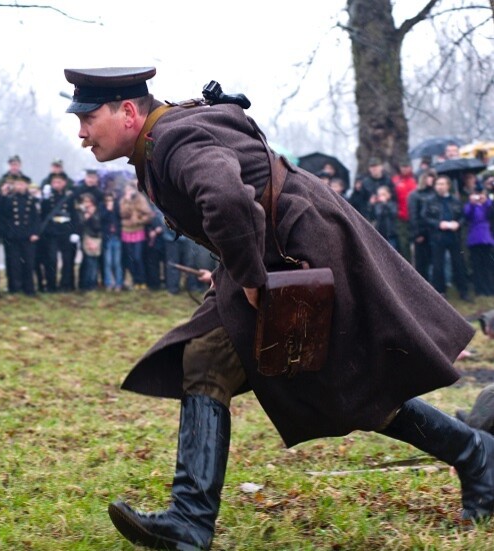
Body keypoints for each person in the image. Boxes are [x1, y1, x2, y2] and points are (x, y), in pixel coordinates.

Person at [64, 66, 489, 550]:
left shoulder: (174, 138)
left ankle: (476, 453)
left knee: (355, 385)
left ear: (126, 112)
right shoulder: (163, 138)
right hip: (277, 252)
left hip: (300, 252)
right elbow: (230, 202)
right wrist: (235, 267)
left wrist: (248, 277)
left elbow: (225, 199)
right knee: (208, 359)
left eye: (87, 117)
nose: (80, 133)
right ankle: (189, 519)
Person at [423, 175, 471, 302]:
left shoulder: (455, 200)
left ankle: (463, 291)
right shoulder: (430, 201)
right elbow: (425, 217)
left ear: (448, 186)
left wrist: (458, 224)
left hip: (454, 236)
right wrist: (438, 223)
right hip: (438, 236)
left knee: (459, 265)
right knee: (438, 266)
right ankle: (440, 292)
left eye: (442, 184)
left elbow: (463, 217)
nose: (440, 186)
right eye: (438, 184)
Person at [0, 174, 40, 296]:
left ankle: (29, 288)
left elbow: (36, 218)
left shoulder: (32, 200)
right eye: (17, 184)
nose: (20, 186)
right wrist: (6, 233)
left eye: (22, 184)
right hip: (13, 236)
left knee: (28, 263)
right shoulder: (9, 199)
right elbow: (3, 216)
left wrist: (35, 232)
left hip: (28, 236)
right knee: (14, 263)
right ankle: (14, 287)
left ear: (27, 185)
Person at [40, 171, 78, 292]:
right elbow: (43, 214)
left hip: (66, 232)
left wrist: (75, 232)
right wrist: (43, 199)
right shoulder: (48, 197)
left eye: (59, 182)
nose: (56, 184)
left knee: (67, 260)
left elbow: (74, 215)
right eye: (54, 182)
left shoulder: (69, 196)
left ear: (64, 183)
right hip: (52, 233)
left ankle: (65, 284)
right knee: (51, 259)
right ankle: (51, 285)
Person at [120, 183, 154, 289]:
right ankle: (135, 280)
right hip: (126, 231)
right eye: (127, 190)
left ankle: (142, 280)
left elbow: (149, 214)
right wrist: (128, 201)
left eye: (131, 189)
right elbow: (122, 214)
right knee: (130, 259)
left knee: (138, 257)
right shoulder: (123, 201)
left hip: (138, 231)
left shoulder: (141, 199)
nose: (129, 192)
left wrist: (139, 220)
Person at [407, 169, 437, 282]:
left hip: (434, 232)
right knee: (421, 263)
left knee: (434, 262)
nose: (431, 179)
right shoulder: (414, 195)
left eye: (433, 177)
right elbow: (413, 216)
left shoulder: (435, 193)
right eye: (428, 177)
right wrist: (417, 234)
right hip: (422, 233)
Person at [464, 189, 494, 296]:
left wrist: (486, 201)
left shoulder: (488, 205)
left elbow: (490, 213)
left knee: (488, 265)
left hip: (486, 238)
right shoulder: (470, 206)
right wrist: (472, 204)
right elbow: (467, 215)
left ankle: (490, 288)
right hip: (474, 238)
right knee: (477, 265)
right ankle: (479, 289)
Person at [101, 192, 124, 292]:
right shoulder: (102, 208)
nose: (109, 202)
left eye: (111, 200)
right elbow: (101, 219)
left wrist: (113, 209)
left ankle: (119, 283)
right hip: (107, 238)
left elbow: (120, 217)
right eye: (107, 200)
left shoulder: (117, 208)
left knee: (117, 262)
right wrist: (107, 210)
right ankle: (109, 283)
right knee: (108, 262)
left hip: (116, 237)